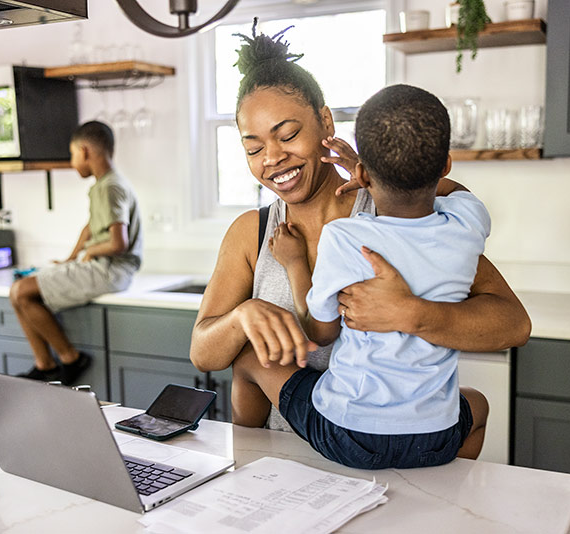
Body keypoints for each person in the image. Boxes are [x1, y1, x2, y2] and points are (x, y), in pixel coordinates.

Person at [189, 21, 530, 439]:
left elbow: (513, 324)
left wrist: (411, 313)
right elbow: (203, 353)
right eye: (253, 148)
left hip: (389, 467)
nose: (272, 158)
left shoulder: (395, 213)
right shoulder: (252, 232)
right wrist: (243, 316)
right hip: (285, 468)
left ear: (326, 123)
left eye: (288, 135)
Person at [259, 83, 489, 468]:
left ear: (362, 171)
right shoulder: (467, 222)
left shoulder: (348, 236)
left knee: (253, 362)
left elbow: (321, 334)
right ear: (446, 164)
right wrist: (378, 171)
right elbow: (459, 191)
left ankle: (244, 466)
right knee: (477, 405)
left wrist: (295, 263)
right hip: (436, 434)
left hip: (350, 433)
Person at [10, 121, 143, 385]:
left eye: (72, 155)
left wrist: (90, 252)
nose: (72, 162)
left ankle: (69, 358)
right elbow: (91, 227)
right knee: (18, 292)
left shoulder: (110, 187)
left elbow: (119, 243)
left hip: (112, 270)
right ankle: (45, 364)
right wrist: (71, 258)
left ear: (84, 151)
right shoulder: (104, 184)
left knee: (21, 291)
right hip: (105, 267)